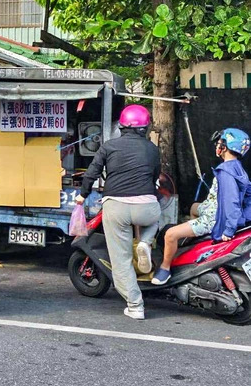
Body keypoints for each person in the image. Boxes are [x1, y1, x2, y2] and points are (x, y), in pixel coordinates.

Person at [74, 104, 161, 320]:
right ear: (145, 128)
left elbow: (92, 173)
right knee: (154, 219)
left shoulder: (109, 146)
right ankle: (145, 242)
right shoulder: (152, 149)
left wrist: (83, 195)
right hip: (146, 206)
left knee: (121, 260)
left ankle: (135, 305)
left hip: (116, 206)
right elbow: (154, 176)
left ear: (121, 127)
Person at [152, 128, 251, 285]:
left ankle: (165, 269)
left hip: (213, 218)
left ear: (225, 147)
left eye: (219, 143)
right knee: (193, 207)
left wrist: (229, 229)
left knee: (170, 234)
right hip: (212, 208)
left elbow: (231, 202)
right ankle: (194, 243)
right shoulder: (237, 168)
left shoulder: (226, 172)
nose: (217, 146)